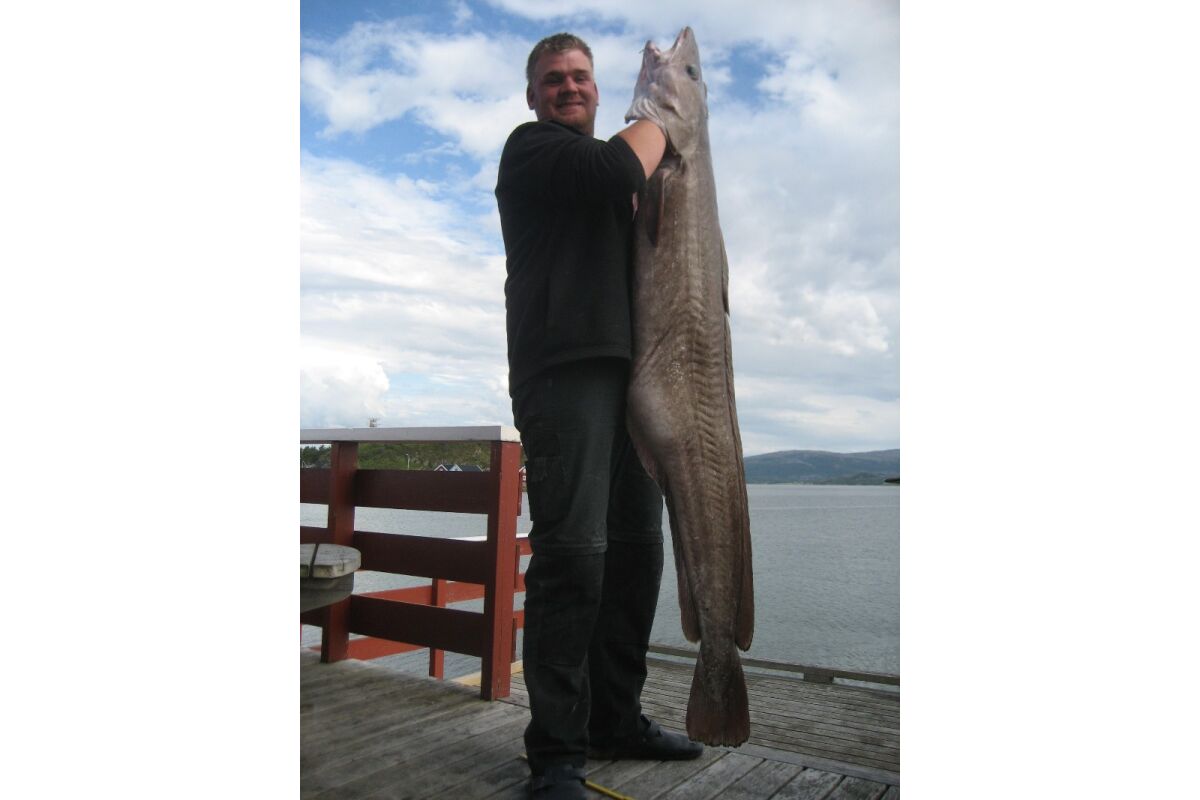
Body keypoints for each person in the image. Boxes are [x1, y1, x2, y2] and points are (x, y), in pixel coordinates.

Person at [495, 32, 703, 799]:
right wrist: (675, 106)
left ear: (596, 85)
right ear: (533, 95)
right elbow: (616, 165)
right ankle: (556, 753)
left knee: (637, 553)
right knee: (574, 557)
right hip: (563, 376)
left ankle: (616, 717)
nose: (569, 86)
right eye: (553, 78)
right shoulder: (533, 152)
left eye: (581, 75)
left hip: (635, 382)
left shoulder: (618, 182)